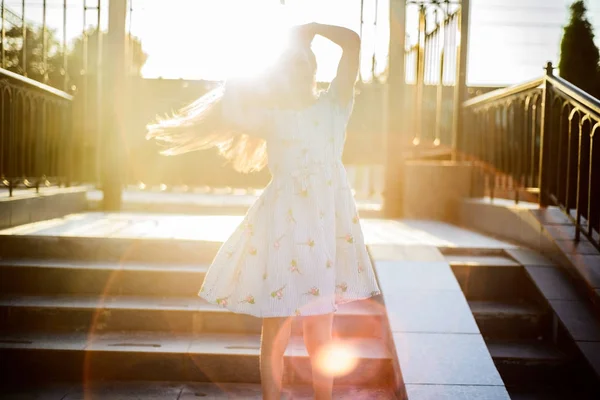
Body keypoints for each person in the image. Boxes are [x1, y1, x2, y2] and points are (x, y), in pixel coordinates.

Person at [146, 22, 380, 400]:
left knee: (320, 331)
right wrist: (253, 66)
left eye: (303, 65)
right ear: (281, 76)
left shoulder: (335, 104)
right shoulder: (274, 118)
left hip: (324, 232)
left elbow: (352, 43)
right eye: (290, 67)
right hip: (283, 231)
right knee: (277, 328)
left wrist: (313, 29)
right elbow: (234, 105)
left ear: (312, 71)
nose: (298, 70)